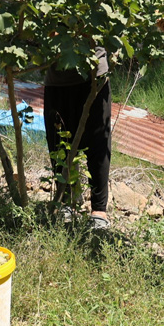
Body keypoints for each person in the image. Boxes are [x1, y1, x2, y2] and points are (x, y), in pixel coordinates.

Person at [44, 46, 113, 229]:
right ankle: (67, 201)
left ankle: (99, 210)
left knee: (98, 144)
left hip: (94, 76)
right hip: (57, 79)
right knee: (59, 144)